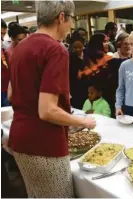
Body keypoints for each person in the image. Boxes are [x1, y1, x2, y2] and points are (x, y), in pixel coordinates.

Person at [8, 1, 96, 197]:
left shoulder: (20, 47)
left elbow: (11, 94)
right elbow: (47, 110)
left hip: (19, 139)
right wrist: (83, 121)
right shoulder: (55, 49)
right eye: (71, 19)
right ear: (62, 17)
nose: (71, 25)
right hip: (44, 145)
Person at [77, 33, 122, 115]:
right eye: (104, 41)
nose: (107, 44)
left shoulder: (109, 61)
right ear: (97, 43)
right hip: (87, 103)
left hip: (107, 103)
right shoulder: (84, 61)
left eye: (107, 41)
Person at [68, 35, 86, 109]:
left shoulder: (87, 55)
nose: (78, 49)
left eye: (80, 47)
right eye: (75, 48)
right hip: (74, 86)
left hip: (85, 87)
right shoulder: (70, 57)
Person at [1, 19, 10, 107]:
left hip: (5, 89)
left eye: (4, 33)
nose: (2, 37)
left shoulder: (2, 48)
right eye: (1, 33)